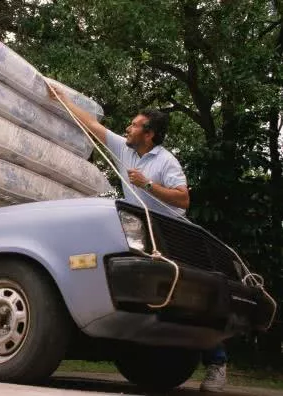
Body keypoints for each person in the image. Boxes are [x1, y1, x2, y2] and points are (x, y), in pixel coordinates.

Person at [48, 85, 227, 392]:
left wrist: (147, 185)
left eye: (134, 124)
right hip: (140, 230)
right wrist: (61, 99)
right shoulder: (123, 149)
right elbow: (92, 126)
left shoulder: (166, 161)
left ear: (150, 133)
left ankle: (217, 363)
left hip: (172, 235)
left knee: (190, 302)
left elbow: (183, 201)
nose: (127, 128)